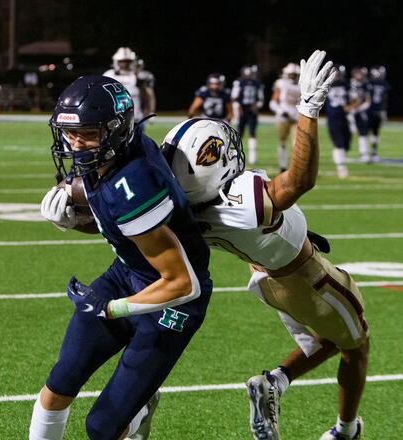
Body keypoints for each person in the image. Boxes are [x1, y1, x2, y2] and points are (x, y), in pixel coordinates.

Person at [163, 50, 368, 440]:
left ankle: (276, 383)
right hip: (306, 280)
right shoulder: (243, 203)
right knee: (356, 345)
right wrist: (308, 108)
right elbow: (298, 181)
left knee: (326, 340)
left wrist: (76, 208)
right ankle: (344, 430)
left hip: (263, 277)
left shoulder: (184, 207)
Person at [32, 75, 213, 440]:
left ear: (114, 131)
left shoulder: (133, 185)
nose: (75, 144)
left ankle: (139, 409)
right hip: (130, 271)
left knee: (102, 427)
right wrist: (75, 218)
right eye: (70, 133)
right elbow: (118, 225)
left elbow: (183, 283)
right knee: (60, 383)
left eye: (86, 134)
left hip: (172, 302)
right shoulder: (112, 153)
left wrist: (111, 308)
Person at [103, 47, 155, 121]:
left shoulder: (139, 75)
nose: (125, 64)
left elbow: (149, 96)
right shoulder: (109, 75)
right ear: (116, 61)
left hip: (136, 117)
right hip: (115, 118)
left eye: (127, 61)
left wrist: (150, 111)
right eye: (122, 61)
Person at [270, 63, 302, 172]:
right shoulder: (281, 83)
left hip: (296, 115)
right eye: (291, 74)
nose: (293, 76)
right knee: (282, 142)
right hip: (283, 116)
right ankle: (283, 166)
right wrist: (281, 111)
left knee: (297, 142)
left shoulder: (302, 84)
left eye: (295, 74)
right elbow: (273, 102)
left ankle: (296, 167)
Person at [232, 65, 265, 164]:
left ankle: (252, 157)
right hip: (242, 109)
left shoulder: (256, 83)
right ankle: (235, 154)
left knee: (252, 133)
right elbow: (234, 97)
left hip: (252, 110)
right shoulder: (240, 82)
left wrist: (257, 105)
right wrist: (238, 108)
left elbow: (260, 99)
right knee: (239, 133)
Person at [324, 65, 353, 179]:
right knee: (339, 143)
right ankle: (341, 167)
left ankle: (340, 160)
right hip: (333, 118)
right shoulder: (326, 85)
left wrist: (350, 106)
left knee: (346, 144)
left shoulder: (347, 86)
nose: (336, 77)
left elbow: (355, 98)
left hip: (345, 118)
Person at [365, 66, 390, 162]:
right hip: (375, 111)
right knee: (374, 133)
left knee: (369, 133)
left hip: (370, 111)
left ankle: (367, 153)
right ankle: (372, 152)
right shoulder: (382, 84)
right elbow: (384, 99)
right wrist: (384, 111)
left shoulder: (368, 83)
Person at [348, 67, 372, 163]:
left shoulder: (365, 85)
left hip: (359, 112)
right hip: (348, 112)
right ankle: (341, 151)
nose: (360, 76)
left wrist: (359, 108)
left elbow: (367, 100)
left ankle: (363, 153)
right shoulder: (348, 85)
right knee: (345, 132)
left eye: (361, 74)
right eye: (358, 74)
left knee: (363, 133)